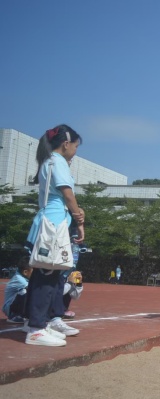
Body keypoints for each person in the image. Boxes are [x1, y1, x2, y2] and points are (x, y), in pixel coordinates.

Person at [24, 125, 83, 346]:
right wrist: (79, 219)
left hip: (51, 221)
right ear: (66, 144)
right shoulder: (58, 162)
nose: (75, 151)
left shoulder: (49, 161)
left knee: (46, 273)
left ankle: (38, 323)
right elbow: (68, 194)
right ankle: (36, 329)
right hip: (53, 224)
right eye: (75, 146)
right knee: (48, 273)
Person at [3, 257, 32, 324]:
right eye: (34, 270)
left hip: (13, 305)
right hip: (10, 309)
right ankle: (15, 316)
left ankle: (25, 314)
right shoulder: (19, 279)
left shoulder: (23, 276)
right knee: (25, 292)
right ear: (25, 272)